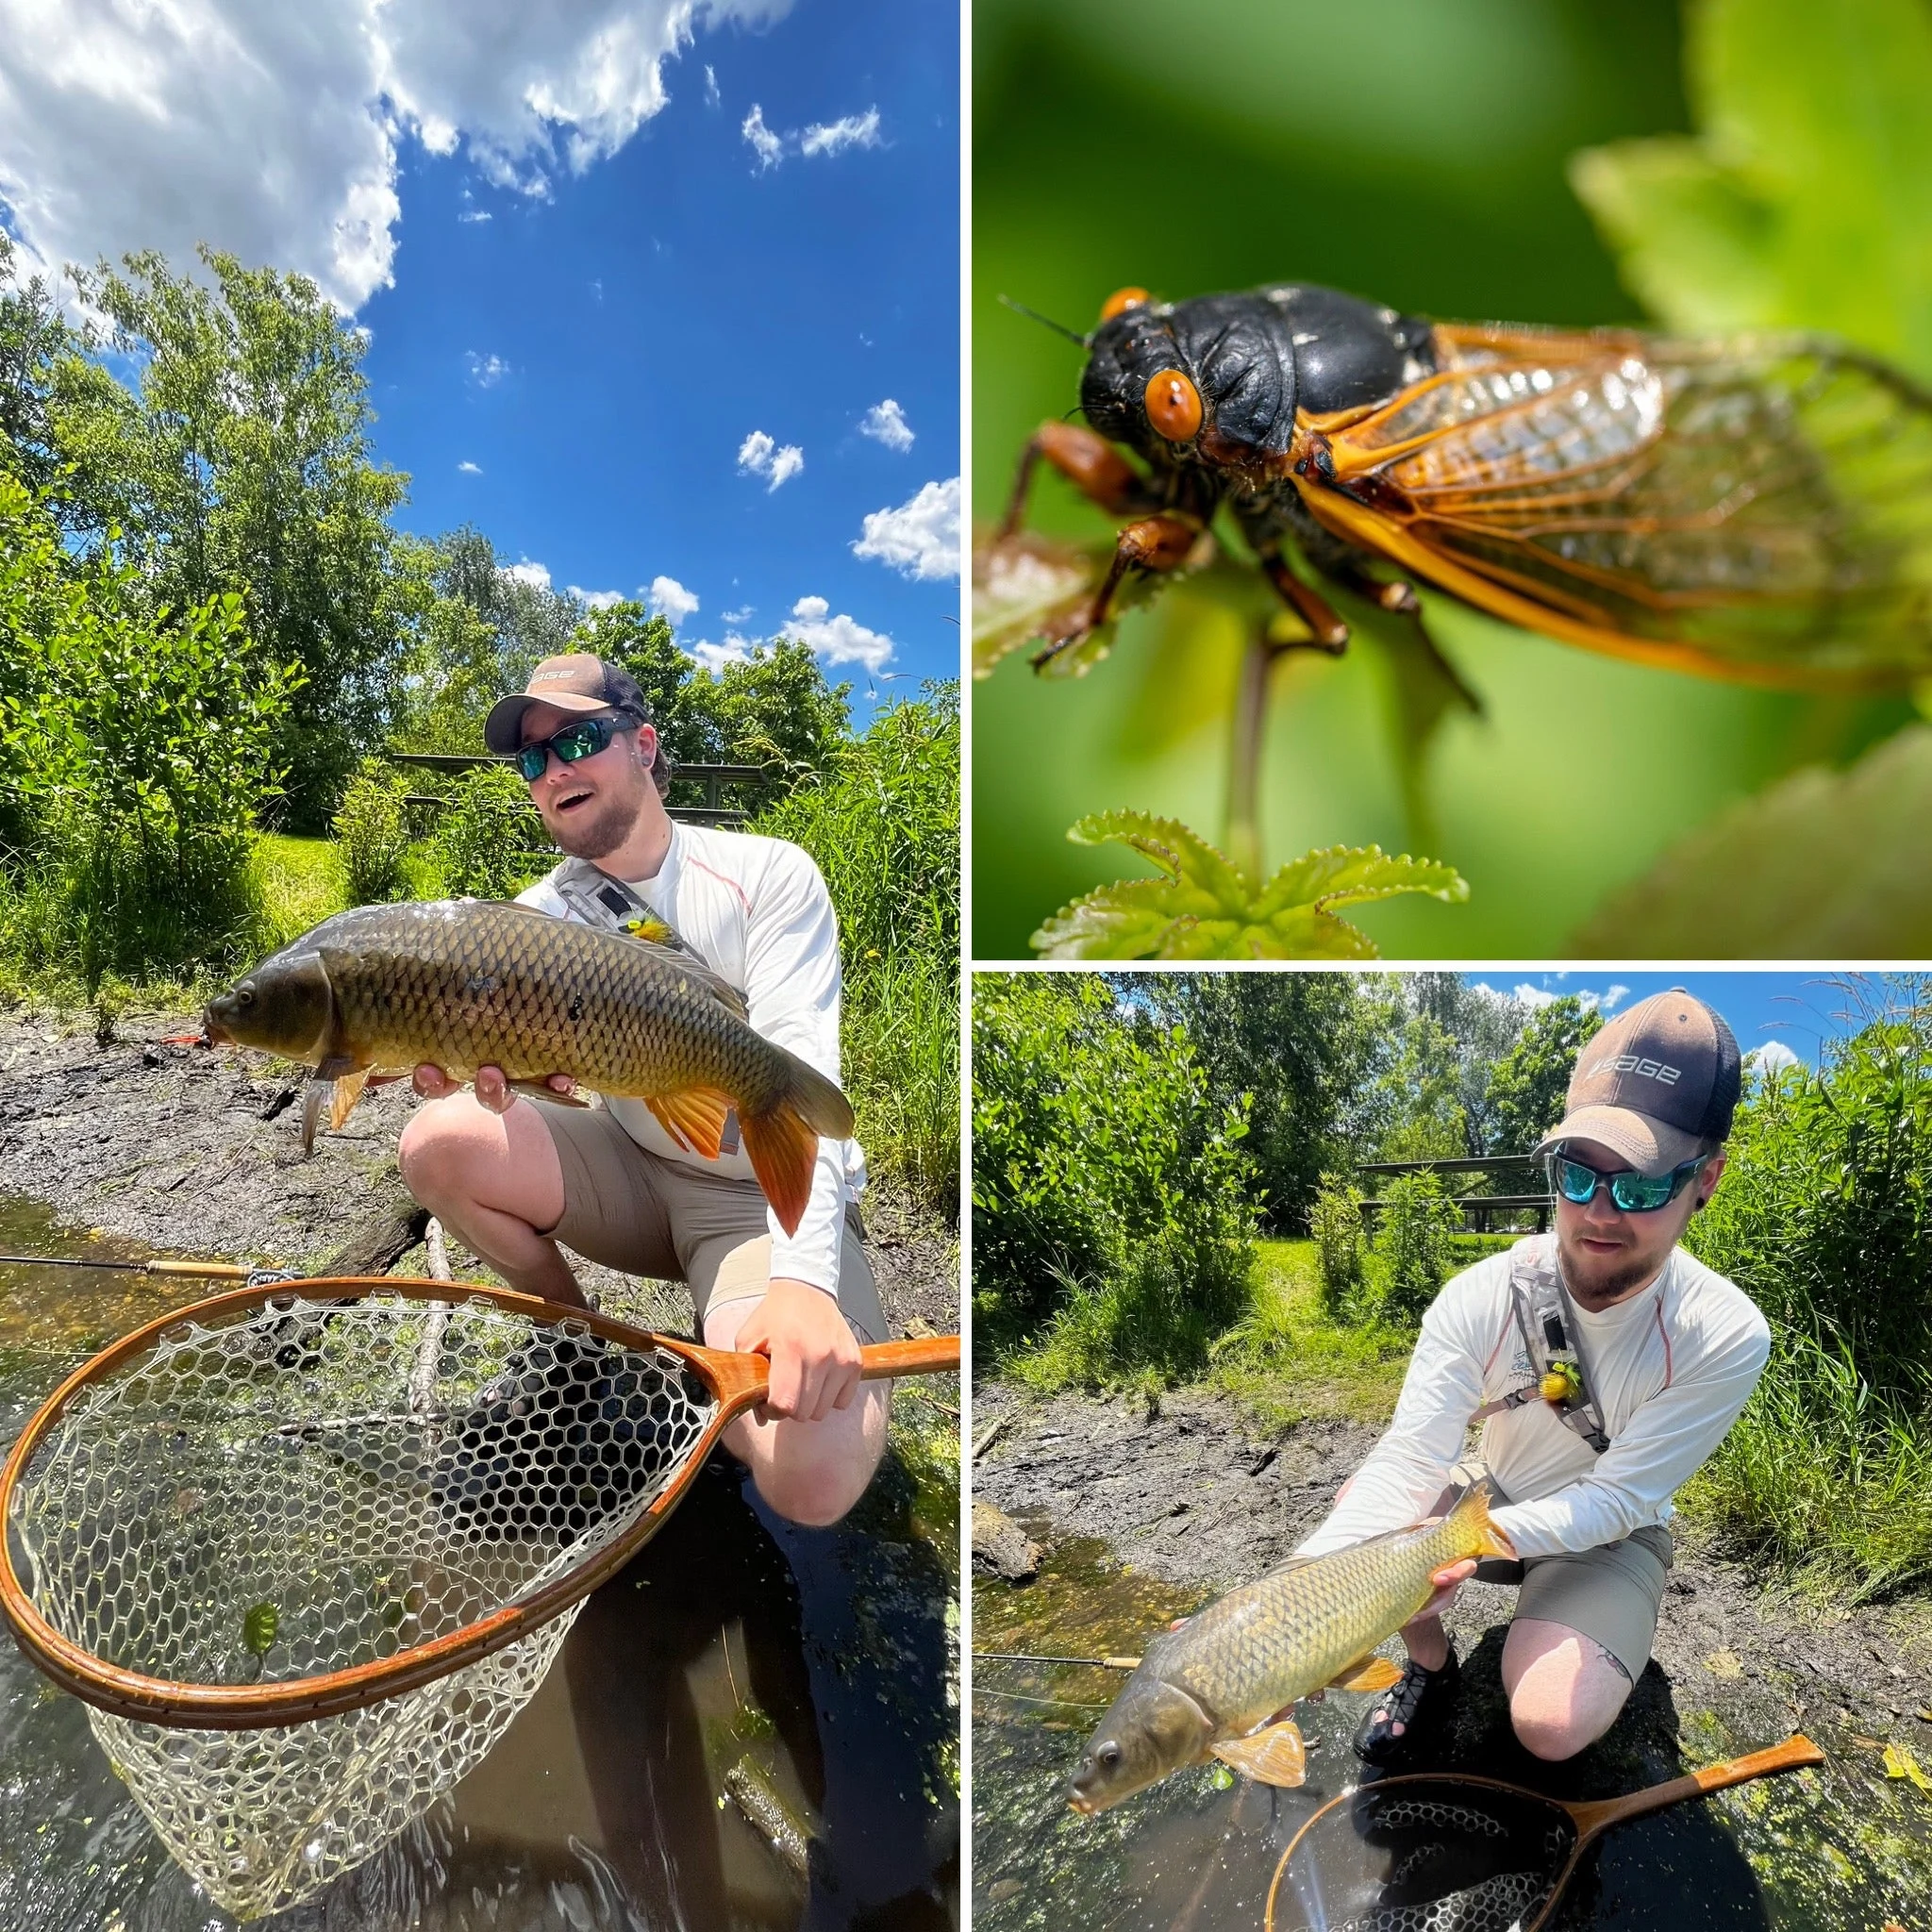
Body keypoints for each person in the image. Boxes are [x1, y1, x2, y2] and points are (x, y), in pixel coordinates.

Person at [396, 652, 889, 1527]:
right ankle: (578, 1349)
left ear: (644, 745)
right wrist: (460, 1067)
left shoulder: (768, 876)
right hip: (631, 1172)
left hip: (754, 1207)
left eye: (577, 739)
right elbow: (521, 1096)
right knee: (439, 1137)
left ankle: (772, 1309)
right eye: (532, 760)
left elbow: (804, 1075)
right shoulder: (534, 918)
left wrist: (805, 1284)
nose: (554, 772)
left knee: (809, 1476)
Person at [1296, 990, 1770, 1764]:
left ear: (1706, 1180)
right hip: (1496, 1494)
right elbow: (1413, 1457)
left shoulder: (1724, 1334)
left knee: (1550, 1727)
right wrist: (1305, 1591)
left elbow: (1617, 1499)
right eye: (1579, 1175)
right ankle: (1431, 1668)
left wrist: (1447, 1544)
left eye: (1644, 1186)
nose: (1600, 1213)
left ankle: (1594, 1630)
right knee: (1364, 1510)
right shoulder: (1480, 1295)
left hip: (1612, 1532)